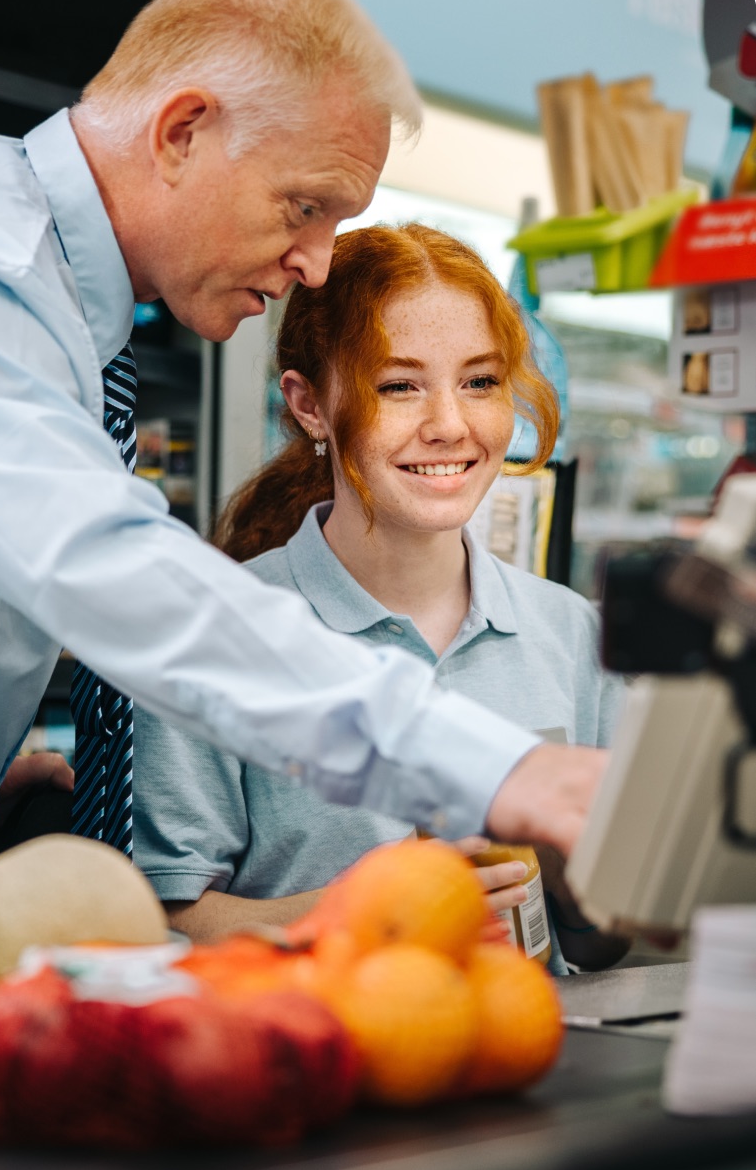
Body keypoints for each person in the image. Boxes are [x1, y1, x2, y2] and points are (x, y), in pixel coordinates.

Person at [0, 0, 608, 876]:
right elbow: (111, 574)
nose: (317, 262)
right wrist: (496, 771)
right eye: (305, 207)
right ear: (182, 132)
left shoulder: (62, 315)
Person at [133, 223, 630, 971]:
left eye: (481, 382)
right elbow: (159, 928)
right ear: (309, 406)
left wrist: (571, 879)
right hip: (315, 1066)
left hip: (526, 1063)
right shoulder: (213, 634)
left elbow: (598, 948)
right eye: (397, 386)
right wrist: (364, 904)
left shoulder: (572, 634)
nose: (449, 426)